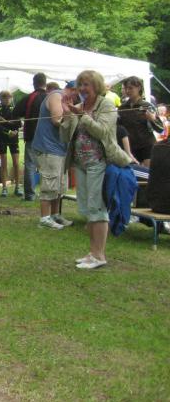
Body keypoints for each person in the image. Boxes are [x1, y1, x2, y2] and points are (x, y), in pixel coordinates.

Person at [60, 70, 132, 269]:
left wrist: (81, 116)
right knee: (86, 209)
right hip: (80, 164)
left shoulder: (106, 105)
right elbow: (65, 137)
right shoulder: (79, 107)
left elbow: (102, 131)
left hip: (99, 163)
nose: (83, 89)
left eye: (87, 85)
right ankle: (92, 252)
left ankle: (99, 255)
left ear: (96, 86)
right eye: (80, 85)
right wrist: (67, 115)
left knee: (97, 208)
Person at [31, 81, 75, 229]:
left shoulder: (67, 99)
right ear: (72, 89)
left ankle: (55, 215)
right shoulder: (57, 96)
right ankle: (44, 219)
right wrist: (74, 115)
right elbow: (57, 120)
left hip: (61, 148)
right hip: (48, 148)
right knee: (50, 183)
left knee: (60, 185)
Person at [12, 73, 48, 202]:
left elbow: (15, 112)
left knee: (30, 165)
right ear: (45, 83)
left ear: (34, 83)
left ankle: (30, 195)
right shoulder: (50, 97)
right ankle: (47, 194)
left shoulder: (30, 98)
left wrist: (19, 123)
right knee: (47, 166)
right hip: (48, 137)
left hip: (32, 135)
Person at [118, 76, 159, 166]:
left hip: (147, 145)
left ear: (139, 88)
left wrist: (153, 119)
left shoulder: (147, 106)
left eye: (130, 88)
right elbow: (119, 129)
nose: (128, 91)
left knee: (147, 171)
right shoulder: (122, 108)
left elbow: (160, 129)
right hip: (131, 146)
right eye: (126, 88)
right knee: (135, 172)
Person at [0, 90, 22, 197]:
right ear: (1, 99)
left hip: (14, 138)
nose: (7, 99)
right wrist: (8, 131)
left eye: (9, 97)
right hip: (2, 138)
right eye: (4, 97)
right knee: (3, 163)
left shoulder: (15, 109)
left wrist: (5, 122)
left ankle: (17, 187)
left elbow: (18, 124)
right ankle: (4, 188)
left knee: (16, 163)